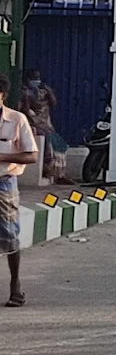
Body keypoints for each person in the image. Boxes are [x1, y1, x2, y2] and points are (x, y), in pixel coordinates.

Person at [0, 74, 39, 308]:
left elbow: (32, 155)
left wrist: (3, 157)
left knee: (9, 234)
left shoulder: (16, 119)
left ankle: (15, 284)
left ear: (2, 95)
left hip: (4, 182)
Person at [17, 70, 69, 184]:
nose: (37, 81)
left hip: (46, 125)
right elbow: (25, 110)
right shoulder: (24, 92)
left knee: (61, 144)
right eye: (34, 78)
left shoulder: (42, 91)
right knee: (48, 143)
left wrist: (49, 92)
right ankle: (48, 171)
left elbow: (53, 103)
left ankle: (59, 175)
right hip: (33, 123)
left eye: (38, 78)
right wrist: (27, 99)